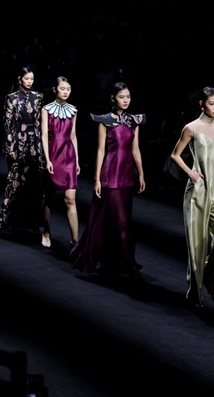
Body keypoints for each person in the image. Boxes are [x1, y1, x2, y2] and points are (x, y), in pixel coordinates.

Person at [71, 82, 146, 278]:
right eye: (122, 97)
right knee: (118, 220)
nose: (126, 100)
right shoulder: (105, 121)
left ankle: (115, 260)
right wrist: (96, 179)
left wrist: (141, 173)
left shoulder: (134, 121)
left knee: (122, 219)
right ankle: (128, 263)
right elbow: (100, 151)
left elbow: (135, 149)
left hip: (127, 176)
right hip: (110, 175)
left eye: (128, 97)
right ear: (113, 98)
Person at [169, 87, 214, 308]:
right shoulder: (191, 128)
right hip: (197, 191)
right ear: (201, 104)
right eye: (211, 103)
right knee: (198, 245)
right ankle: (195, 294)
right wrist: (191, 173)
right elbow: (175, 154)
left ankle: (209, 277)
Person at [0, 67, 45, 230]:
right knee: (15, 180)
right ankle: (8, 217)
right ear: (20, 79)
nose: (29, 81)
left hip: (35, 143)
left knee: (34, 182)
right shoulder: (12, 98)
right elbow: (7, 124)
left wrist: (42, 146)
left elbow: (40, 122)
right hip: (18, 142)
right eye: (26, 78)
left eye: (31, 79)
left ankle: (30, 221)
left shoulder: (39, 97)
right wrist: (10, 147)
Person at [41, 76, 80, 249]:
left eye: (68, 89)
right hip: (53, 155)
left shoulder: (73, 110)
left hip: (69, 156)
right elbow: (44, 135)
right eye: (62, 88)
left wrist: (77, 160)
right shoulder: (46, 110)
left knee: (70, 199)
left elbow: (73, 136)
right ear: (55, 89)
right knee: (50, 197)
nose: (65, 91)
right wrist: (47, 159)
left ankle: (75, 241)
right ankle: (46, 232)